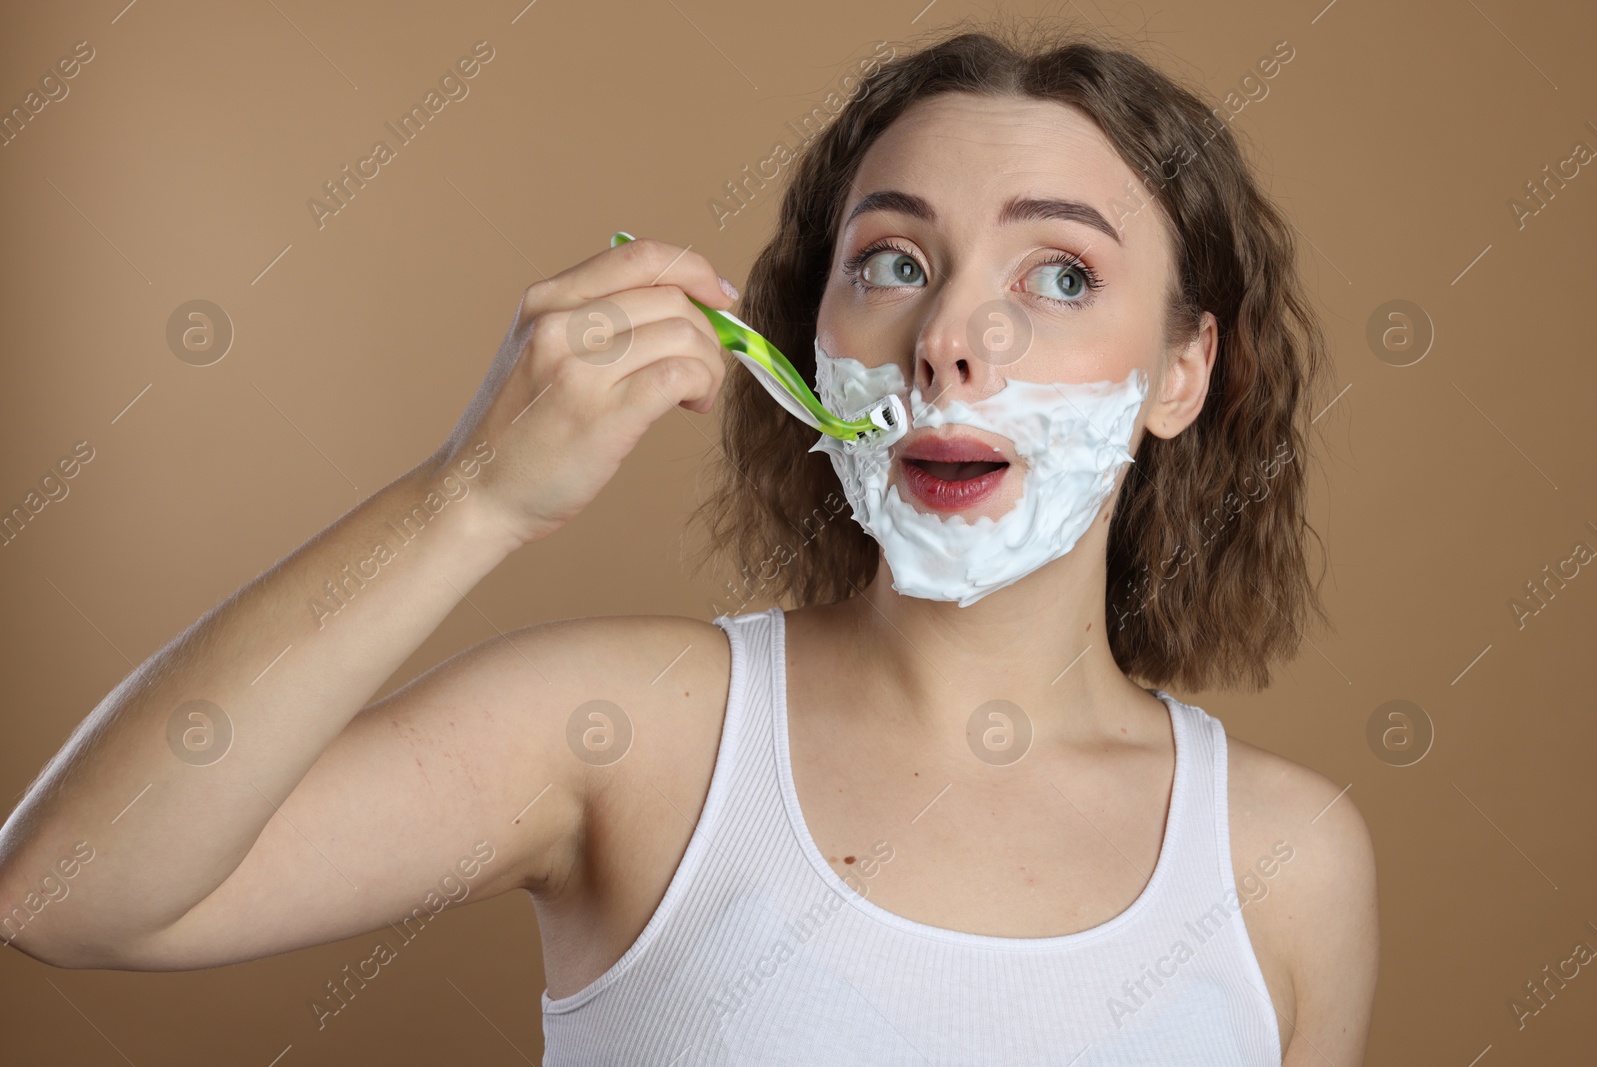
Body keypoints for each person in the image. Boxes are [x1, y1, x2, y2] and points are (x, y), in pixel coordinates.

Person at [0, 20, 1377, 1066]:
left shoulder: (1288, 859)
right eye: (893, 261)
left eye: (1062, 275)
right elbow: (67, 893)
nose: (952, 338)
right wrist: (470, 497)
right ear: (810, 342)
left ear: (1184, 373)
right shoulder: (629, 733)